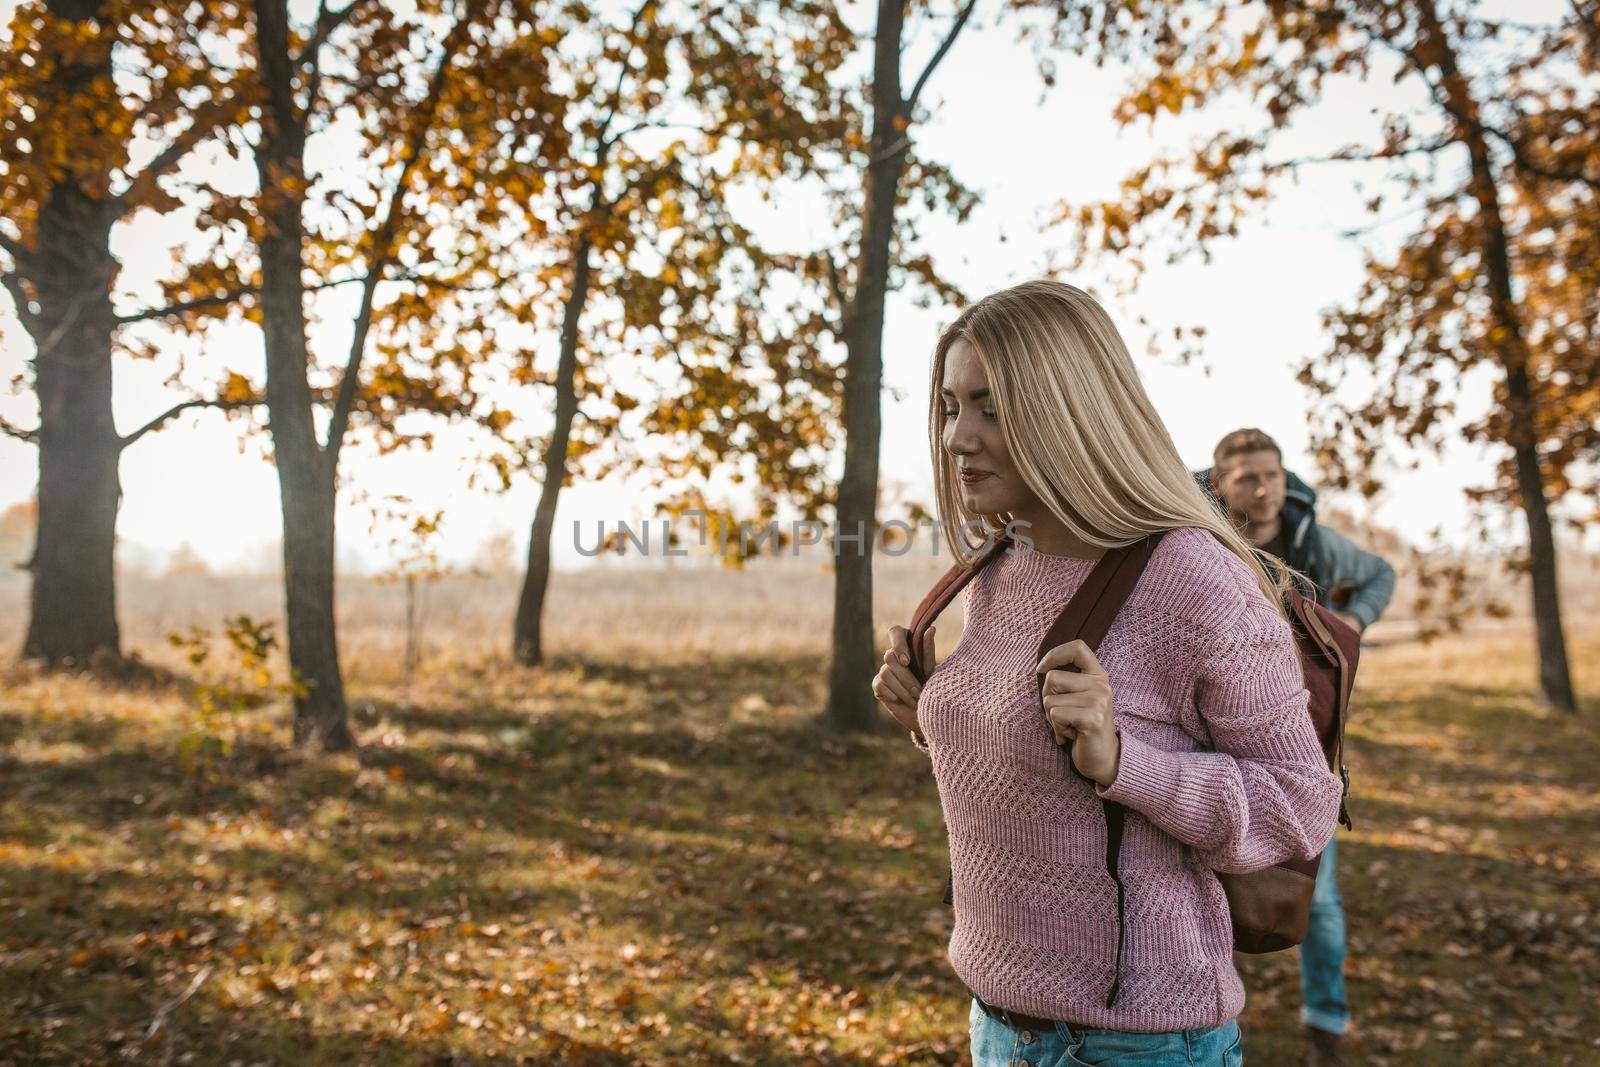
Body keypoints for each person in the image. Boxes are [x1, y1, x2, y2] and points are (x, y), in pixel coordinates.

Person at [870, 280, 1343, 1067]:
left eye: (991, 405)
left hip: (1135, 1039)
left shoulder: (1191, 575)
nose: (959, 436)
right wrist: (935, 716)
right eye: (952, 406)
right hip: (1000, 1024)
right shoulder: (1002, 556)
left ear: (1069, 409)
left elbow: (1299, 805)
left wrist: (1129, 763)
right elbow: (1032, 762)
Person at [1197, 429, 1396, 1067]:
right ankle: (1207, 1017)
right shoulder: (1195, 537)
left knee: (1324, 900)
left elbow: (1379, 574)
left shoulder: (1309, 538)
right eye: (1248, 478)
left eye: (1273, 476)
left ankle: (1325, 1026)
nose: (1265, 490)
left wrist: (1349, 625)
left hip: (1303, 743)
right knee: (1203, 890)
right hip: (1210, 740)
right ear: (1220, 484)